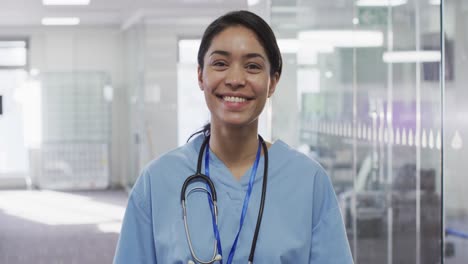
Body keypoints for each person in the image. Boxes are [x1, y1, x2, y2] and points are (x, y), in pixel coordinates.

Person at [113, 10, 353, 264]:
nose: (236, 79)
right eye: (220, 64)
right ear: (200, 76)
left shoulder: (308, 182)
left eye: (252, 66)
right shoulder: (157, 181)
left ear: (272, 82)